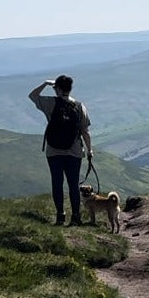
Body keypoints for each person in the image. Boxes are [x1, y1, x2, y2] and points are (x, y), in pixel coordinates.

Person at [28, 74, 93, 225]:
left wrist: (45, 83)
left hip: (54, 151)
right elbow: (85, 131)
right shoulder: (79, 106)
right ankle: (76, 217)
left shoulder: (51, 103)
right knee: (73, 184)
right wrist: (89, 150)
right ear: (70, 89)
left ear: (56, 89)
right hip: (74, 151)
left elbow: (32, 95)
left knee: (57, 183)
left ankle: (60, 215)